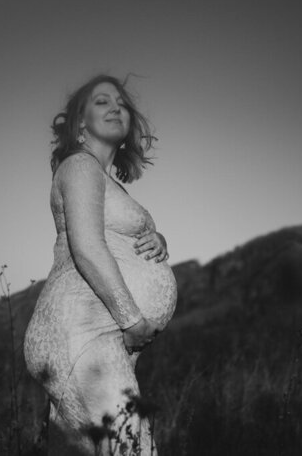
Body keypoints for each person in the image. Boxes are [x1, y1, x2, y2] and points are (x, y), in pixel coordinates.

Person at [24, 74, 177, 455]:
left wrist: (157, 240)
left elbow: (111, 233)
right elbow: (87, 247)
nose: (115, 107)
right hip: (84, 330)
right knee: (133, 449)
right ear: (79, 124)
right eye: (102, 101)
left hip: (98, 333)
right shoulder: (80, 166)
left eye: (121, 103)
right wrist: (131, 319)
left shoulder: (103, 179)